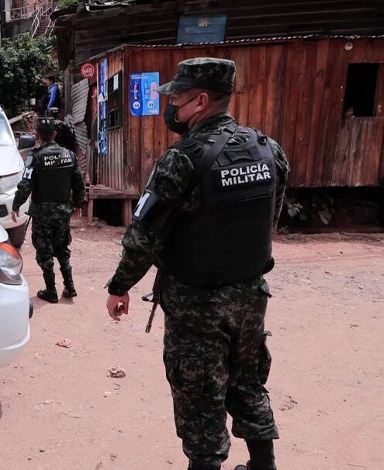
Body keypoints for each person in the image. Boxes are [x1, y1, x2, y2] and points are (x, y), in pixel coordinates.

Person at [104, 58, 289, 470]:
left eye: (177, 98)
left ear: (201, 101)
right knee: (247, 381)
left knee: (201, 397)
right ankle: (264, 465)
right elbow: (270, 219)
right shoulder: (268, 149)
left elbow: (144, 236)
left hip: (197, 304)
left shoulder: (183, 159)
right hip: (250, 296)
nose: (172, 107)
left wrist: (120, 286)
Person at [11, 117, 86, 303]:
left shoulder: (35, 157)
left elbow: (25, 185)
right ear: (55, 134)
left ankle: (51, 291)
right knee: (62, 249)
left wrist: (16, 205)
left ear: (37, 136)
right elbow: (79, 183)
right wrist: (78, 204)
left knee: (44, 253)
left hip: (42, 214)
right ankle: (70, 287)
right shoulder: (70, 155)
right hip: (63, 212)